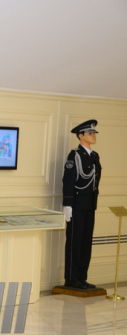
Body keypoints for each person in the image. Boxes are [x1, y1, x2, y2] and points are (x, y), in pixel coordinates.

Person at [62, 120, 101, 290]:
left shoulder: (94, 156)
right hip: (77, 205)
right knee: (74, 242)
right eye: (90, 133)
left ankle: (82, 277)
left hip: (89, 205)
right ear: (81, 136)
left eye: (94, 133)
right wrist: (68, 205)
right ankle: (72, 279)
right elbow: (69, 180)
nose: (93, 136)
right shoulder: (75, 155)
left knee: (86, 243)